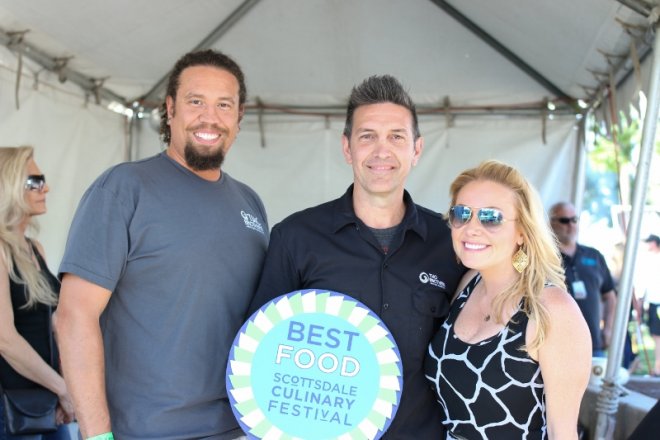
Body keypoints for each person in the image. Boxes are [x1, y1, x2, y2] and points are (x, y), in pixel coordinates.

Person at [54, 50, 269, 440]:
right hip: (144, 431)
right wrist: (97, 435)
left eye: (224, 105)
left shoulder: (250, 203)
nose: (210, 117)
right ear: (170, 110)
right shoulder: (123, 189)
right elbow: (73, 317)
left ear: (239, 118)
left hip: (238, 429)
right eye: (195, 101)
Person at [247, 75, 466, 438]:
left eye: (396, 136)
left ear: (417, 149)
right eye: (367, 136)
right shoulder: (296, 238)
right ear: (347, 148)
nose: (382, 151)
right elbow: (261, 356)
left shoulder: (451, 243)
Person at [425, 160, 591, 439]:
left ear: (523, 231)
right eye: (462, 213)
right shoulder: (468, 284)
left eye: (491, 217)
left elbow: (563, 433)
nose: (471, 228)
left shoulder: (552, 310)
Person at [0, 146, 75, 439]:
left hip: (45, 401)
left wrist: (65, 388)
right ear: (8, 185)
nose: (46, 188)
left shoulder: (34, 249)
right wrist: (62, 388)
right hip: (11, 405)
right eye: (35, 181)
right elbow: (5, 340)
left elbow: (56, 326)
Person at [549, 202, 617, 357]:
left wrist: (607, 329)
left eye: (574, 220)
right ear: (551, 223)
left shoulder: (594, 255)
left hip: (593, 343)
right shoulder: (543, 256)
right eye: (565, 220)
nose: (571, 225)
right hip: (555, 344)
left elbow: (610, 296)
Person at [638, 233, 660, 375]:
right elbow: (645, 285)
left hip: (657, 303)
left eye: (649, 242)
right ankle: (657, 368)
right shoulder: (649, 260)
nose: (647, 246)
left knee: (657, 337)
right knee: (656, 336)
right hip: (653, 303)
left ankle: (657, 368)